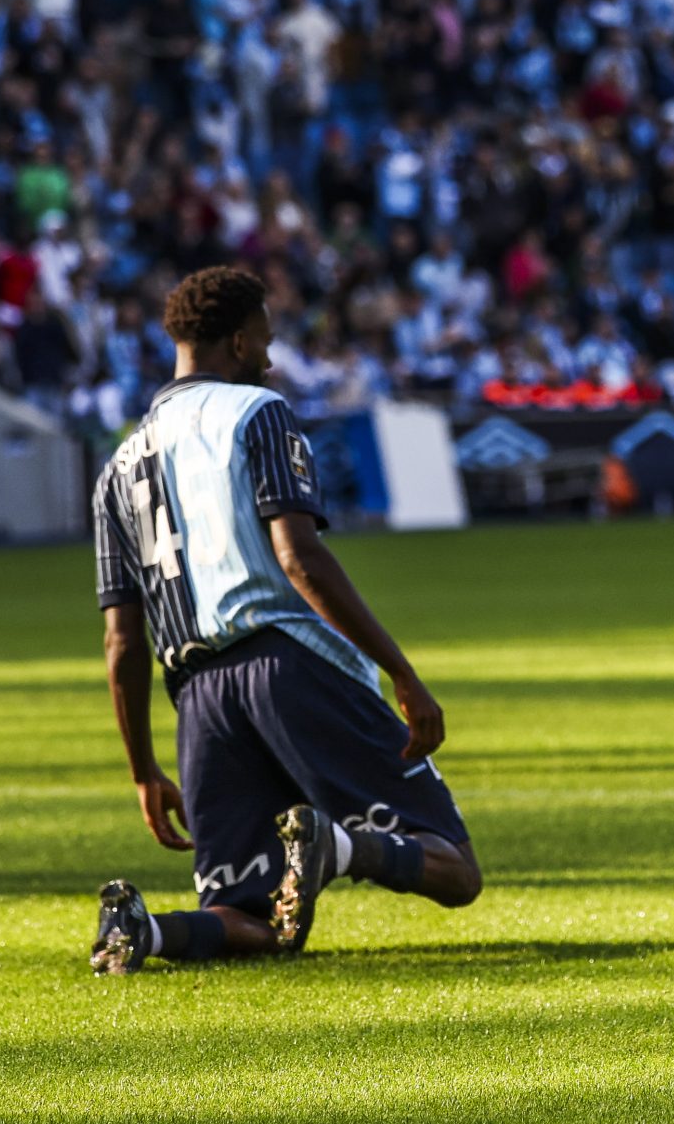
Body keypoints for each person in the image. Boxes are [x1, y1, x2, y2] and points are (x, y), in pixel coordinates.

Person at [86, 267, 479, 973]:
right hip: (287, 663)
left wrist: (144, 768)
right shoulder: (255, 412)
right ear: (238, 341)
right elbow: (299, 558)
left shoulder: (116, 469)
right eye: (264, 341)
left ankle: (143, 931)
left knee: (255, 920)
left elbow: (122, 643)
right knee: (455, 866)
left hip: (199, 698)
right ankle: (342, 845)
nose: (270, 358)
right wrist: (402, 672)